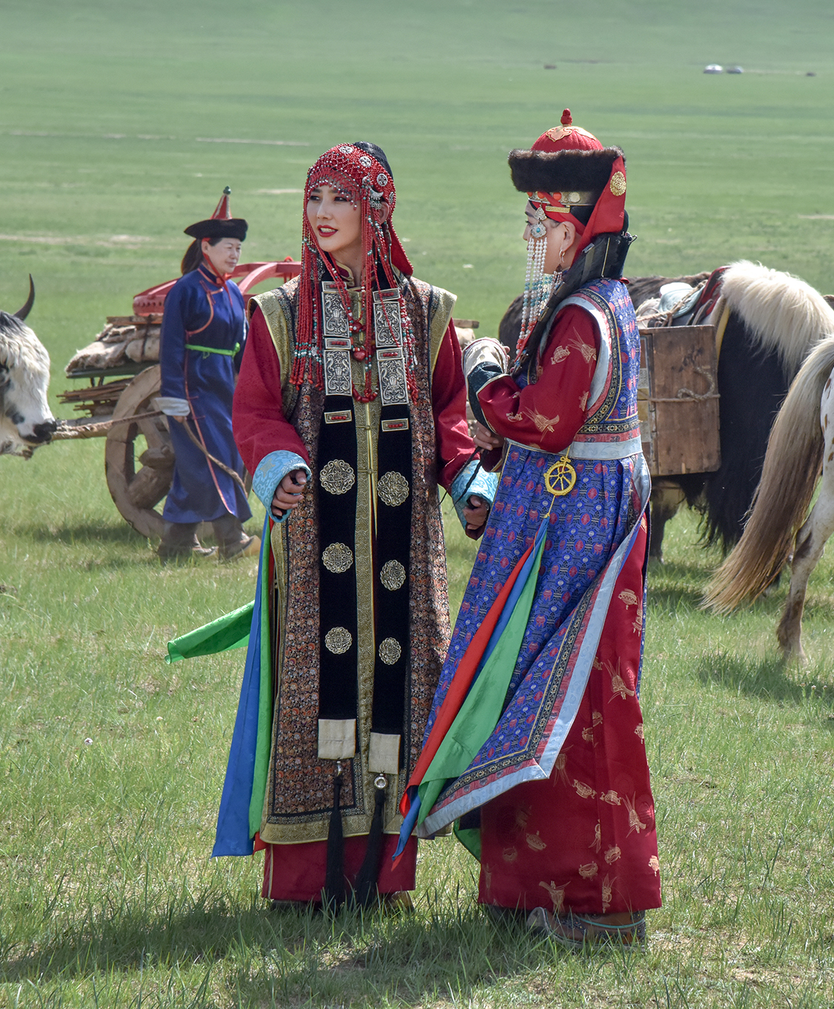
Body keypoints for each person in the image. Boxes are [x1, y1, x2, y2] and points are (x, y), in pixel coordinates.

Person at [215, 142, 495, 906]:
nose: (324, 214)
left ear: (377, 208)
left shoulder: (427, 310)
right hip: (312, 545)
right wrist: (281, 467)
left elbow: (450, 414)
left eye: (341, 199)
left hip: (407, 548)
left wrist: (469, 479)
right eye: (315, 199)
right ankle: (308, 883)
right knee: (314, 698)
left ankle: (386, 875)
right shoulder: (277, 314)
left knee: (401, 698)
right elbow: (255, 412)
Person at [405, 112, 660, 946]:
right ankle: (545, 891)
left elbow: (548, 421)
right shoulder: (606, 300)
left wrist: (484, 389)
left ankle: (585, 900)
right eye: (531, 218)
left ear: (581, 224)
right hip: (590, 519)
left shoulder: (583, 317)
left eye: (545, 220)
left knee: (563, 704)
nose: (533, 233)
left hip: (575, 529)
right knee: (570, 700)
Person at [155, 188, 258, 563]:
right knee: (214, 457)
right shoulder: (185, 291)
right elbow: (170, 348)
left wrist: (250, 388)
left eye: (238, 249)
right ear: (206, 247)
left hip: (223, 387)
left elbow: (240, 347)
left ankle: (175, 545)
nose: (235, 255)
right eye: (228, 247)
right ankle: (232, 538)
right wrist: (173, 397)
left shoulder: (233, 293)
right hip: (192, 388)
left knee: (196, 463)